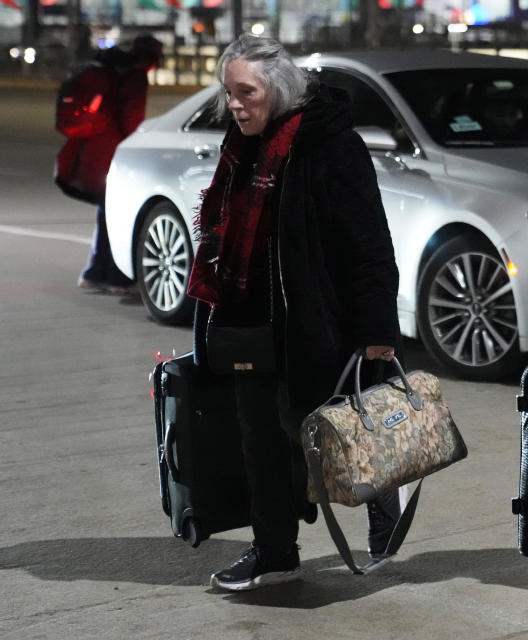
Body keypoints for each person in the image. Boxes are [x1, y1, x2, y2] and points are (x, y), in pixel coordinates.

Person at [186, 34, 403, 592]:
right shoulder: (241, 144)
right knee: (260, 438)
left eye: (246, 92)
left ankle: (382, 498)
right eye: (227, 92)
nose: (235, 104)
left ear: (277, 90)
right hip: (250, 322)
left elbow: (370, 243)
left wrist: (377, 328)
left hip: (314, 323)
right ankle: (275, 552)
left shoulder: (331, 146)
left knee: (335, 435)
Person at [63, 34, 164, 295]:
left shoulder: (114, 71)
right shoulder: (136, 76)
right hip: (114, 154)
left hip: (96, 151)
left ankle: (96, 274)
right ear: (152, 58)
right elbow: (131, 118)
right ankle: (117, 279)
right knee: (117, 215)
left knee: (107, 214)